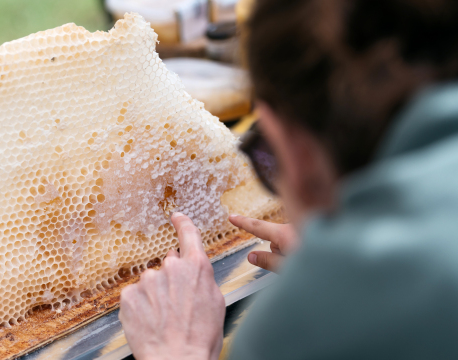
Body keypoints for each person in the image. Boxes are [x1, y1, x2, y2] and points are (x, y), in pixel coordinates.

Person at [118, 0, 458, 358]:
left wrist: (177, 349)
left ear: (300, 155)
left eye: (265, 153)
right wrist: (358, 274)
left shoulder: (290, 334)